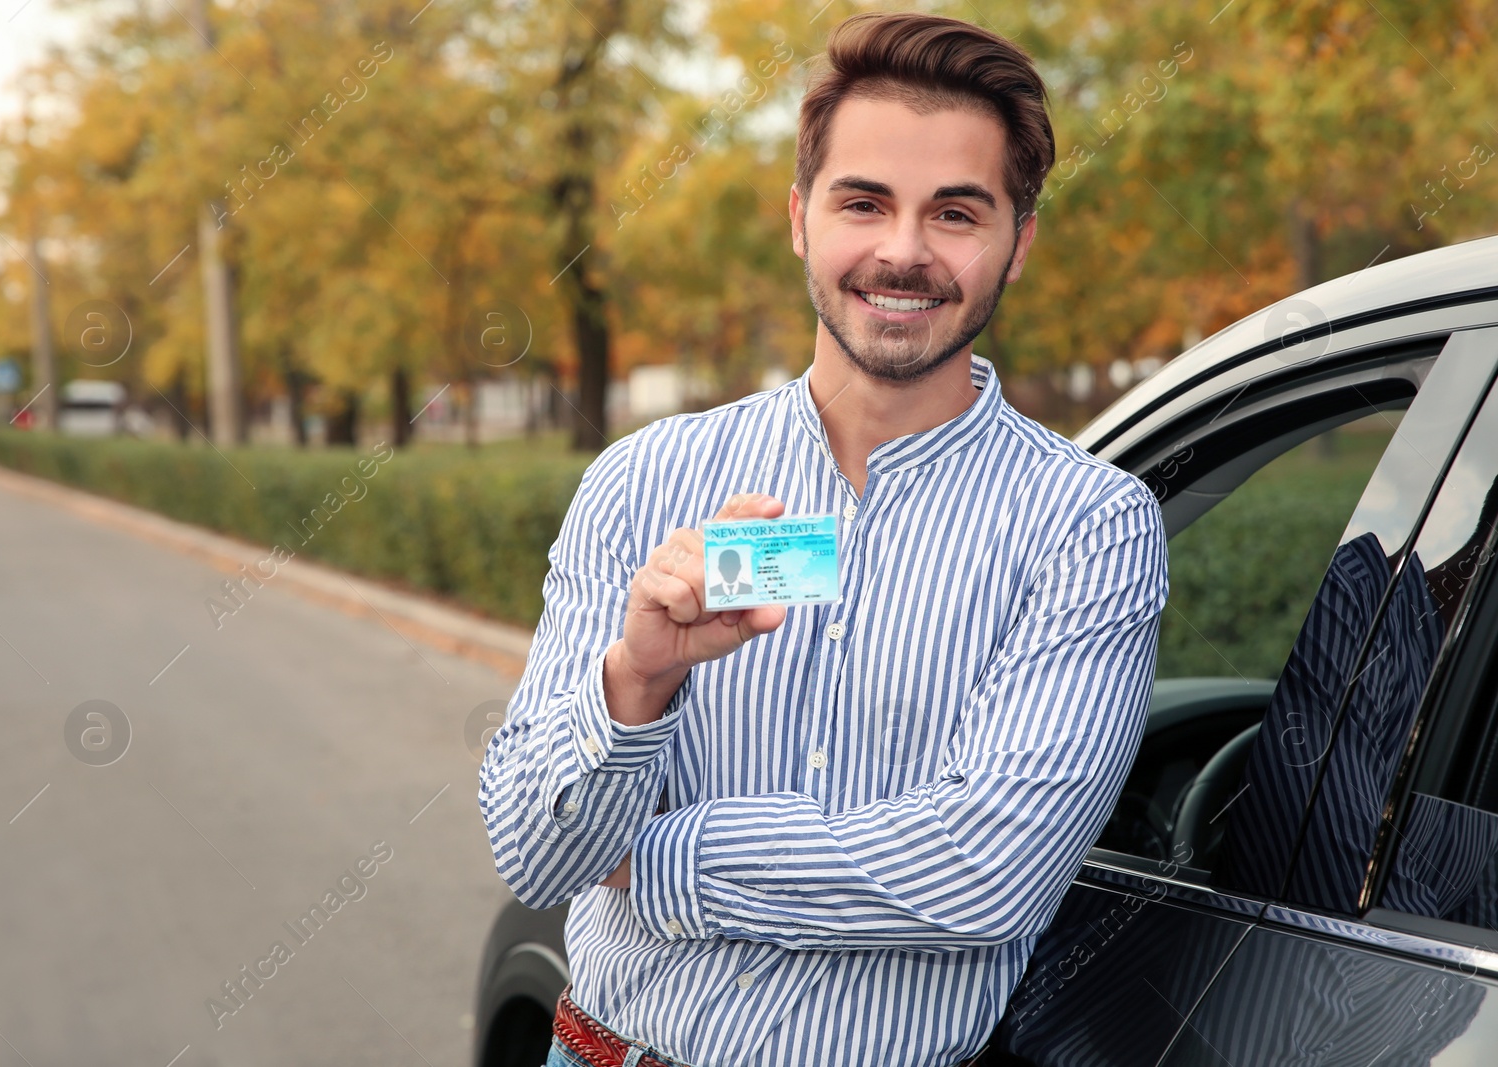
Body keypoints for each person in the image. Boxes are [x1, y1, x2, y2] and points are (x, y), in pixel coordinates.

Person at [478, 12, 1168, 1067]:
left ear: (1016, 244)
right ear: (801, 218)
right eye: (864, 201)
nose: (902, 249)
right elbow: (534, 852)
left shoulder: (1087, 527)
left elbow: (984, 870)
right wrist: (636, 680)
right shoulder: (642, 480)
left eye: (954, 212)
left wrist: (648, 859)